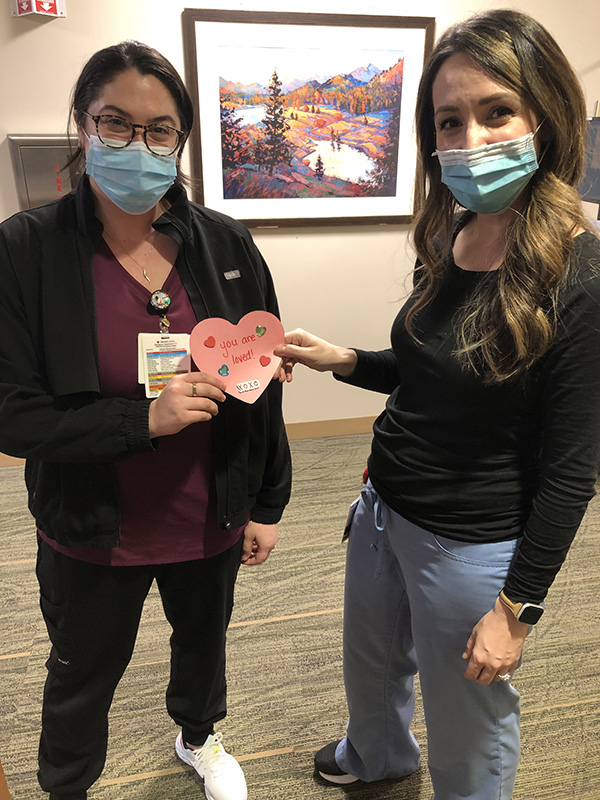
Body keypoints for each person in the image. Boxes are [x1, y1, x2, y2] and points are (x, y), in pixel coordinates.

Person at [274, 10, 600, 800]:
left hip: (471, 545)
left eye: (496, 112)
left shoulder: (577, 273)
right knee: (372, 663)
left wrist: (515, 611)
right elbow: (432, 371)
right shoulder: (458, 226)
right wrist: (343, 360)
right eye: (450, 121)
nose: (471, 139)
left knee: (470, 719)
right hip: (384, 505)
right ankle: (378, 754)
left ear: (545, 117)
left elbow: (573, 469)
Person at [0, 41, 291, 800]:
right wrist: (143, 422)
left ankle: (199, 738)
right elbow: (13, 415)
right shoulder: (25, 250)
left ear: (180, 139)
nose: (138, 144)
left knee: (204, 645)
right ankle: (67, 784)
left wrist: (267, 503)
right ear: (82, 124)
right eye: (116, 124)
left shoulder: (224, 243)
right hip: (94, 525)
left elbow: (264, 382)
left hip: (209, 512)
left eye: (160, 130)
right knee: (82, 670)